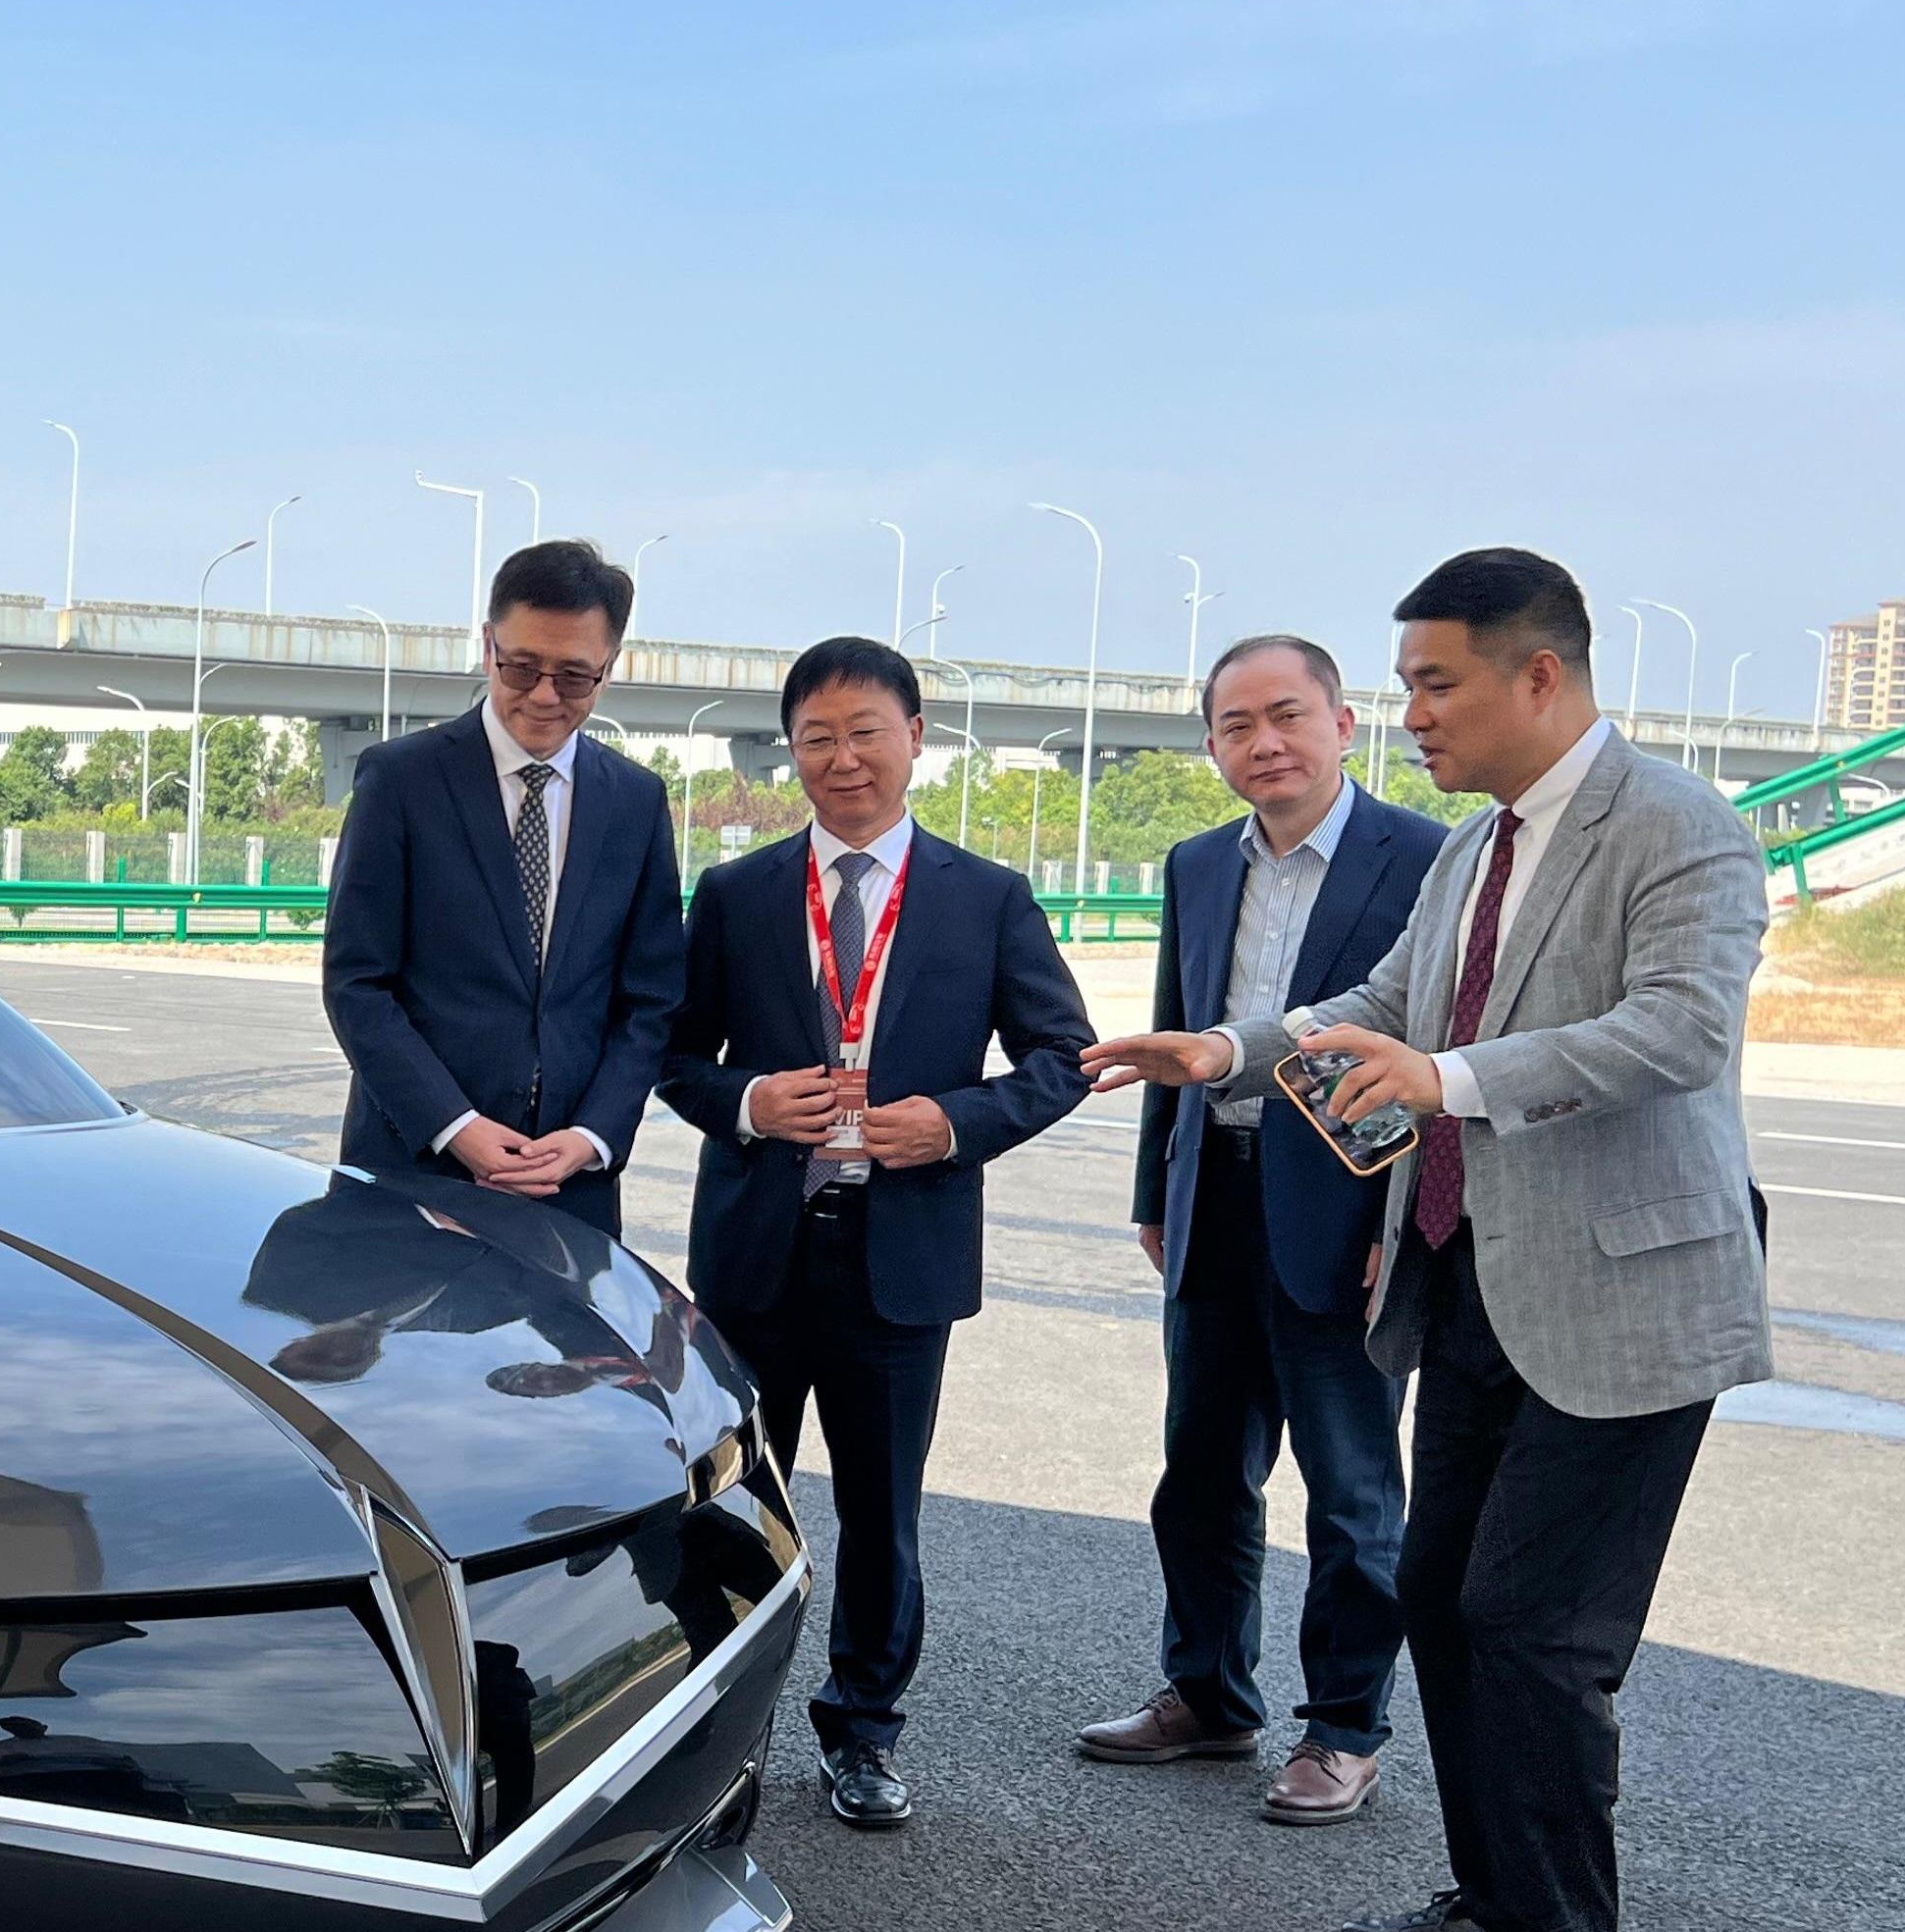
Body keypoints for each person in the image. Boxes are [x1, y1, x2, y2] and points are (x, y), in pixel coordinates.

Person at [1084, 548, 1769, 1932]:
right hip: (1473, 1285)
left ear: (1541, 674)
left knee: (1536, 1626)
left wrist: (1446, 1084)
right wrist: (1227, 1052)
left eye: (1433, 684)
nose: (1413, 717)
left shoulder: (1677, 826)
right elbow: (1378, 1008)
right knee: (1447, 1603)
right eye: (1404, 688)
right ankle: (1491, 1895)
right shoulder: (1475, 850)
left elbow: (1674, 1028)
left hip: (1621, 1297)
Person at [658, 635, 1092, 1827]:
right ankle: (714, 1733)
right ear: (788, 748)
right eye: (816, 737)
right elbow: (674, 1055)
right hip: (756, 1255)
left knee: (882, 1511)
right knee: (733, 1505)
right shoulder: (738, 893)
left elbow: (1062, 1058)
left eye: (865, 732)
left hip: (898, 1257)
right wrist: (748, 1100)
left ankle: (862, 1731)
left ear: (916, 738)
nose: (842, 759)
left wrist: (949, 1123)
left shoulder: (985, 896)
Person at [1085, 635, 1449, 1824]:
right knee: (1198, 1472)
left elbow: (1433, 1055)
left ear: (1346, 723)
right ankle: (1208, 1692)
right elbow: (1173, 1033)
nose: (1264, 743)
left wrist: (1405, 1218)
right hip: (1213, 1196)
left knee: (1350, 1490)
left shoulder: (1425, 858)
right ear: (1211, 746)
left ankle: (1343, 1726)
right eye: (1236, 725)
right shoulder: (1197, 864)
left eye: (1287, 715)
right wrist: (1156, 1187)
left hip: (1347, 1213)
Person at [323, 540, 687, 1239]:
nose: (545, 696)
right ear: (488, 645)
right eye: (522, 667)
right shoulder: (400, 782)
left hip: (568, 1188)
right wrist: (456, 1127)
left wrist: (592, 1136)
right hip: (415, 1172)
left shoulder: (636, 802)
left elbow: (650, 1001)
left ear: (608, 671)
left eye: (574, 676)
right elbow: (357, 982)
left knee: (555, 1356)